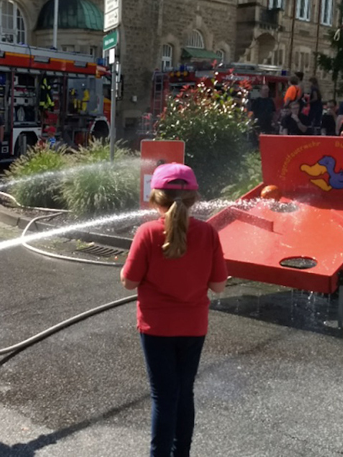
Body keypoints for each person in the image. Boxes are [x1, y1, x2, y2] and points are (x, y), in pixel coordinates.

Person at [120, 163, 227, 457]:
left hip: (156, 329)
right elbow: (218, 286)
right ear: (194, 197)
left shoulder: (147, 233)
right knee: (184, 393)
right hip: (193, 327)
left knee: (163, 397)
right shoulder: (208, 233)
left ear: (156, 197)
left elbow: (129, 283)